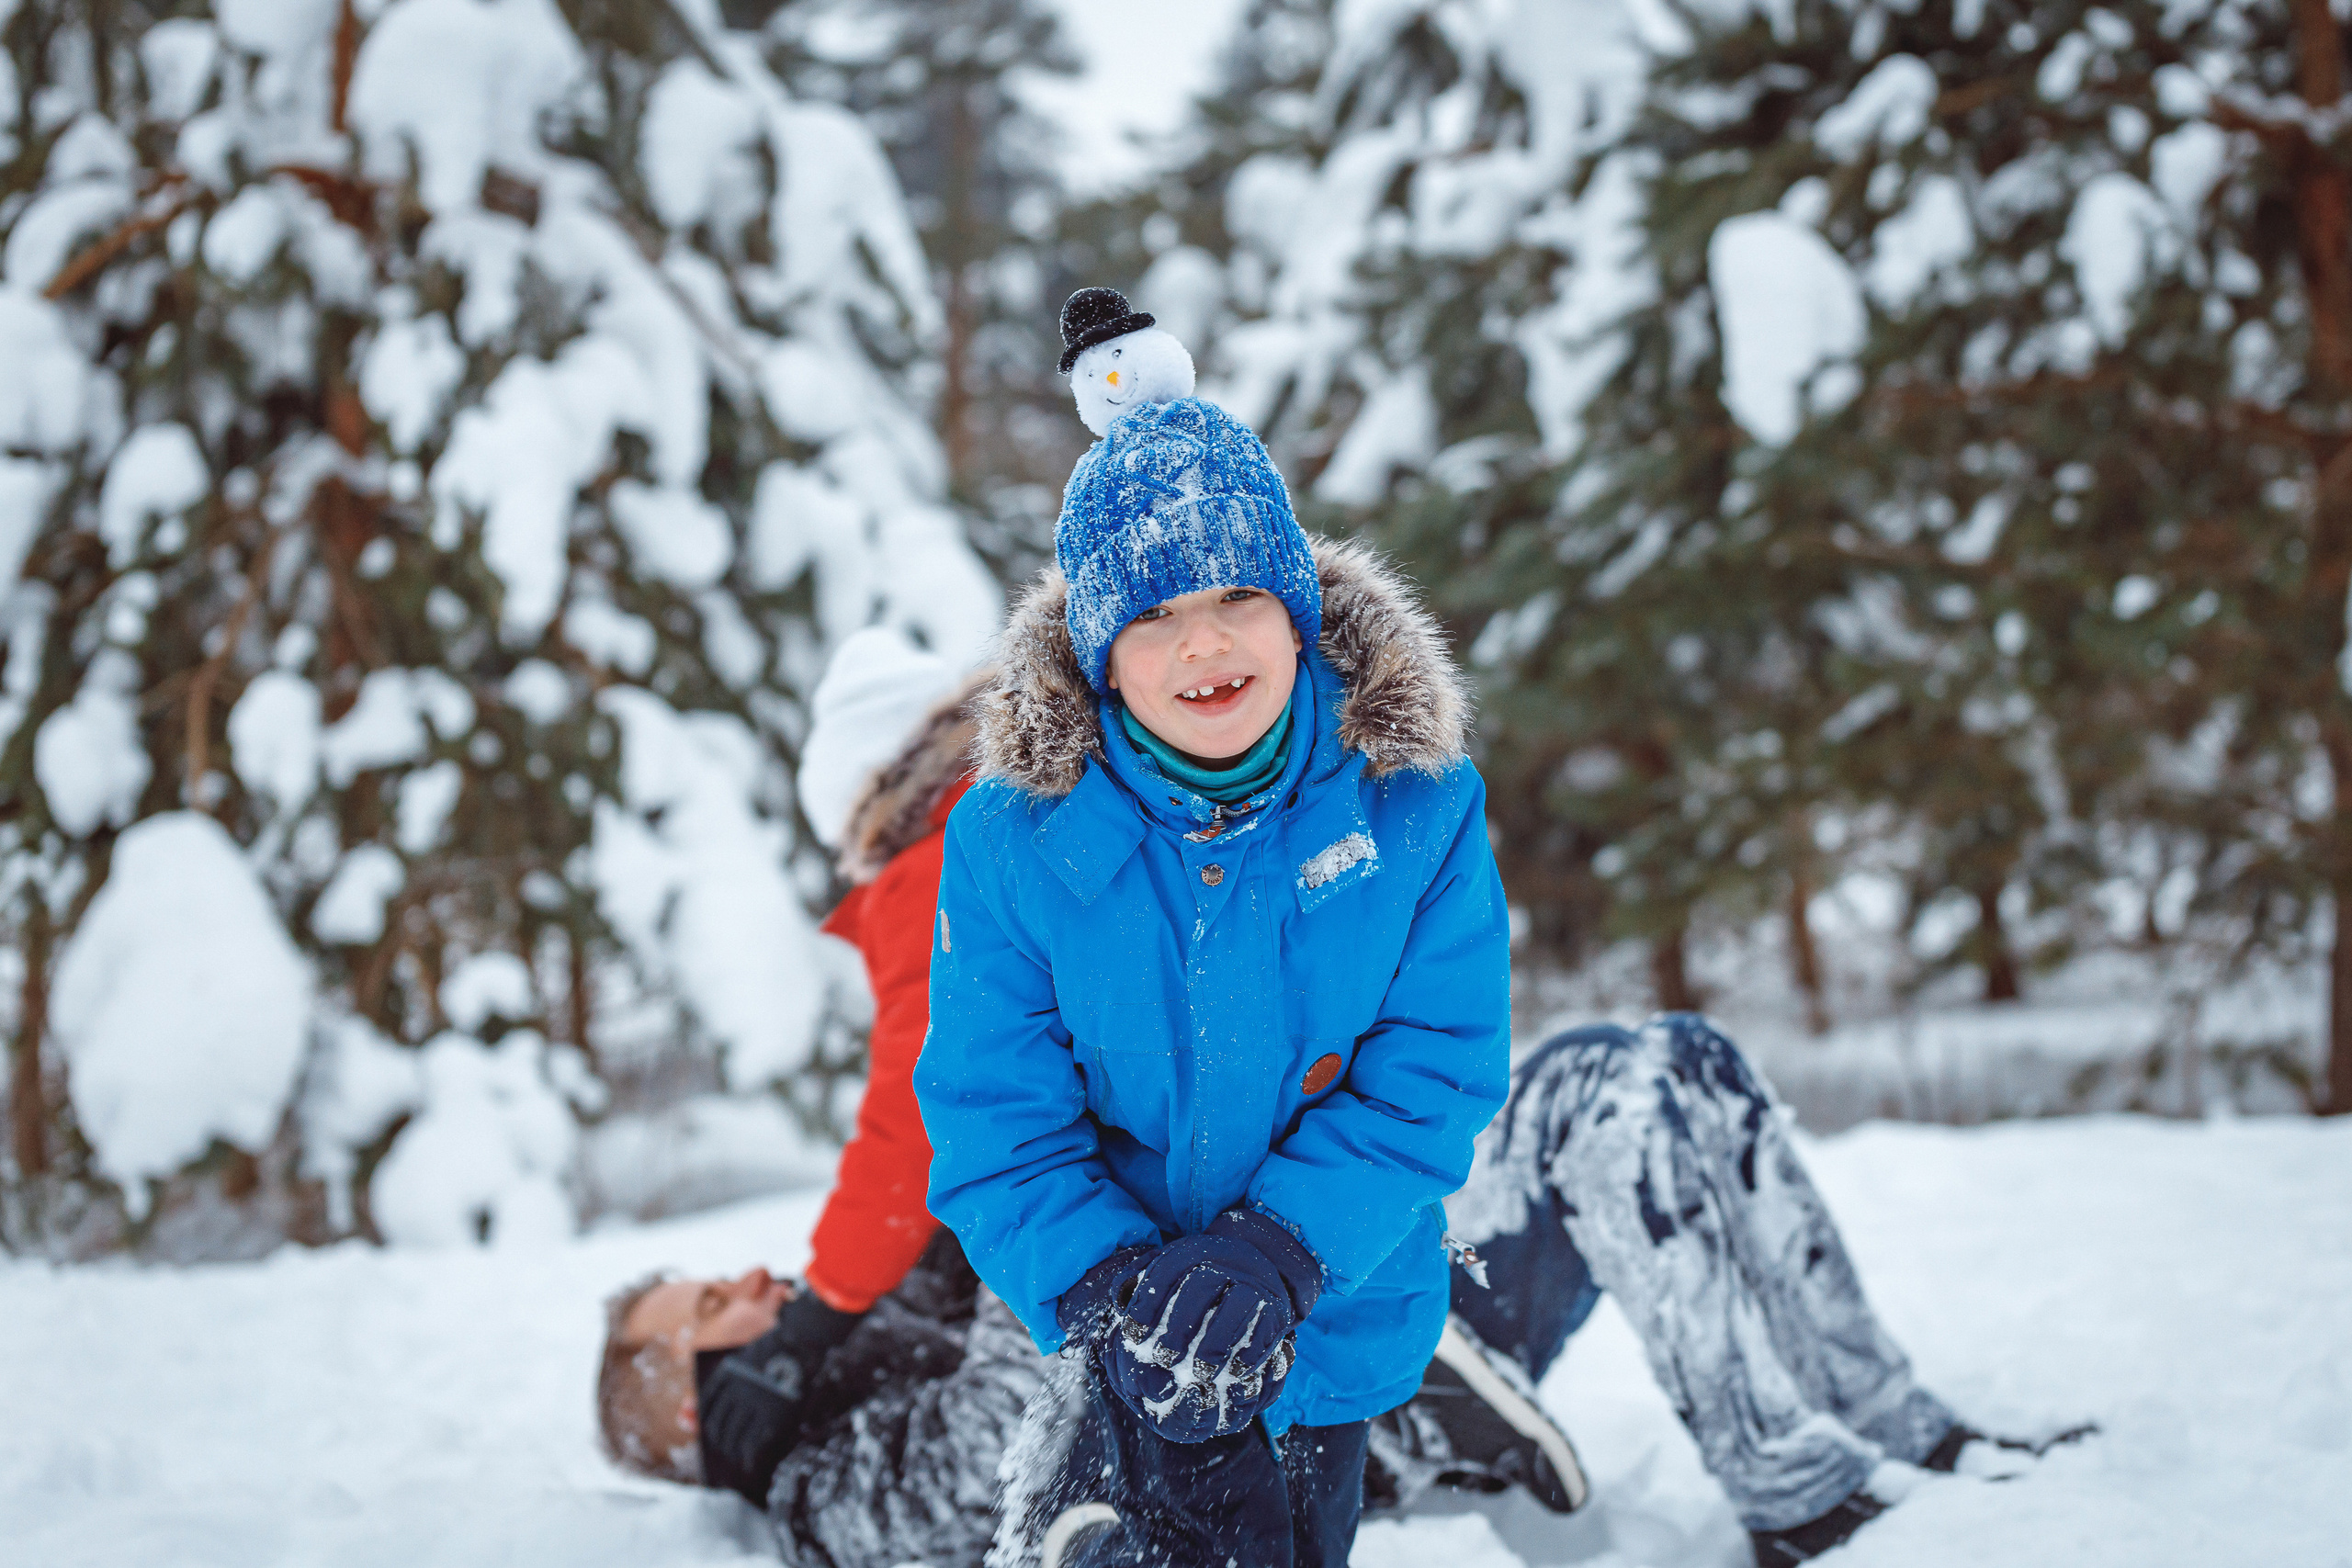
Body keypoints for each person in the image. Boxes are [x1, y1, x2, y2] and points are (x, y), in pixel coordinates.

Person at [913, 369, 1518, 1568]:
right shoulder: (1009, 842)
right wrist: (1121, 1296)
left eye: (1240, 592)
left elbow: (1436, 1070)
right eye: (1151, 613)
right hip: (1116, 1330)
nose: (1204, 641)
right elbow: (995, 1114)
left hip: (1329, 1305)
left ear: (1296, 612)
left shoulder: (1416, 803)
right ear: (1102, 658)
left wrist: (1279, 1249)